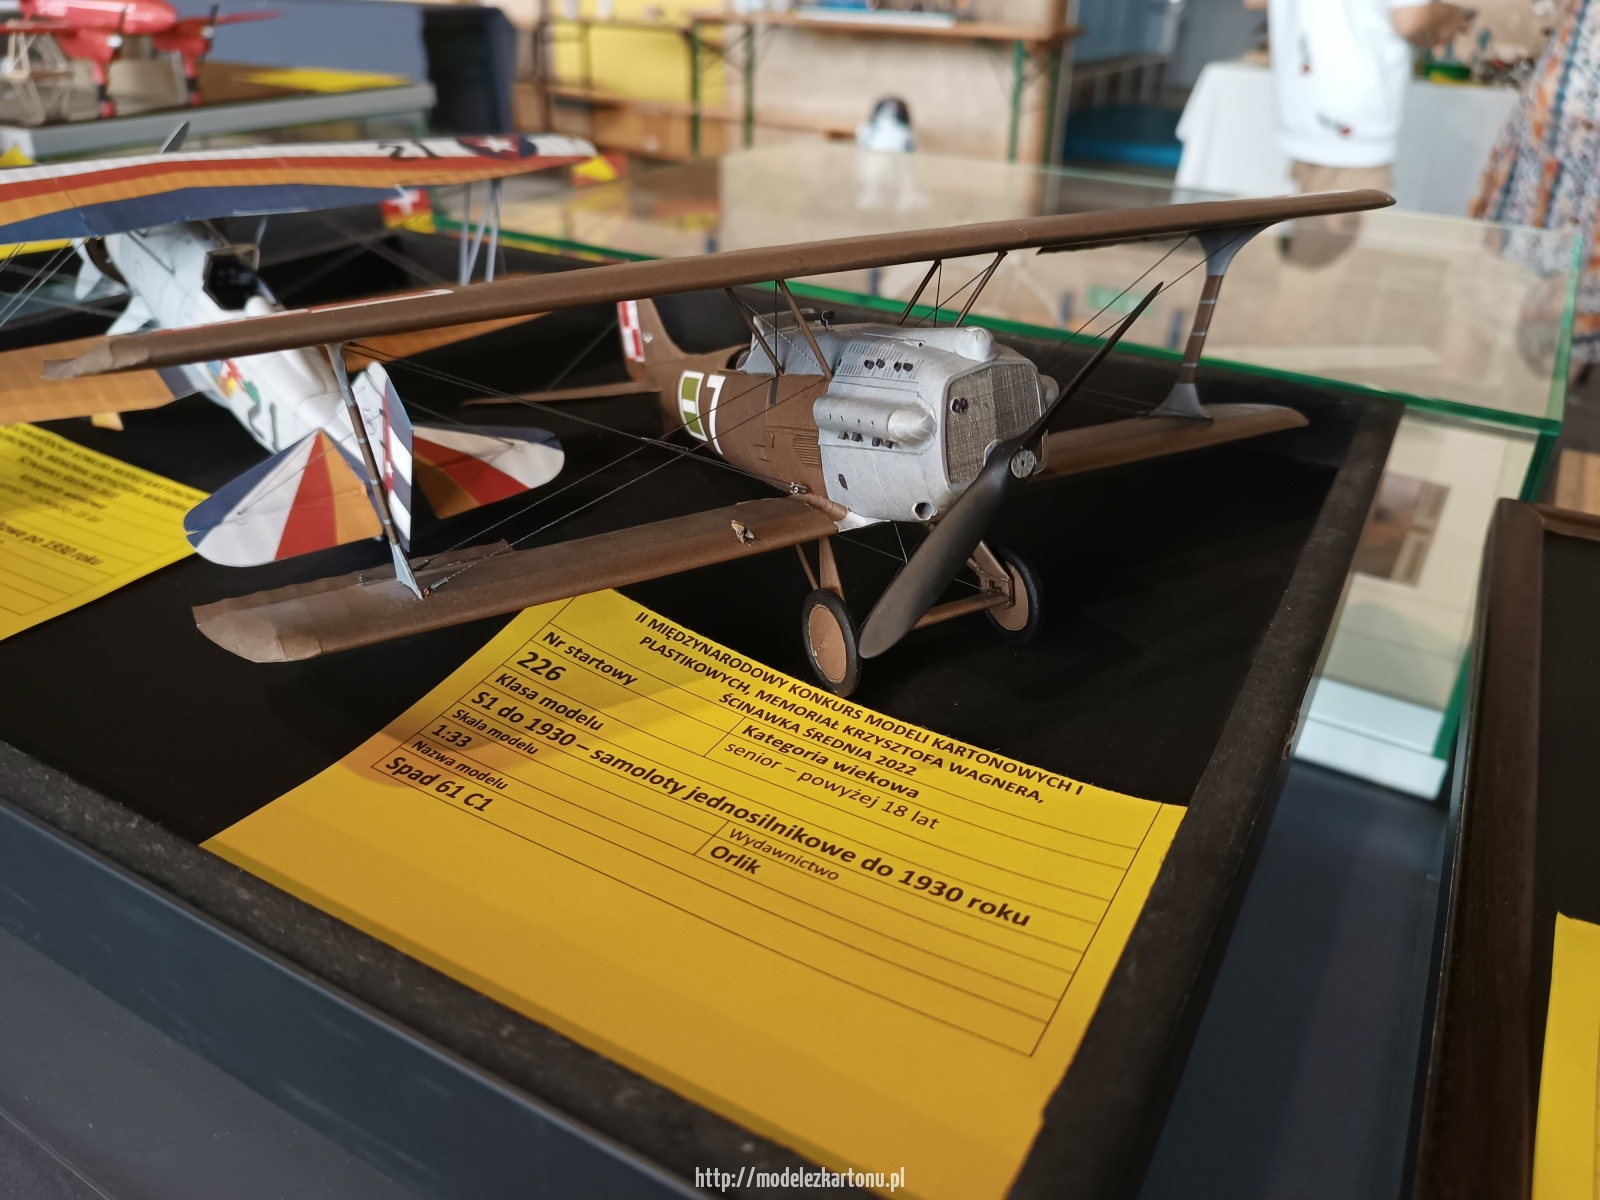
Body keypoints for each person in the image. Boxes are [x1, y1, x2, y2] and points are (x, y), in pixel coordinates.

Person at [1472, 0, 1600, 366]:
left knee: (1561, 296)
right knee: (1531, 283)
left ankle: (1540, 375)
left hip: (1571, 129)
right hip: (1555, 127)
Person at [1245, 0, 1474, 196]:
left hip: (1302, 111)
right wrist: (1447, 14)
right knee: (1344, 229)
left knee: (1310, 227)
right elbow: (1409, 19)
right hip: (1354, 124)